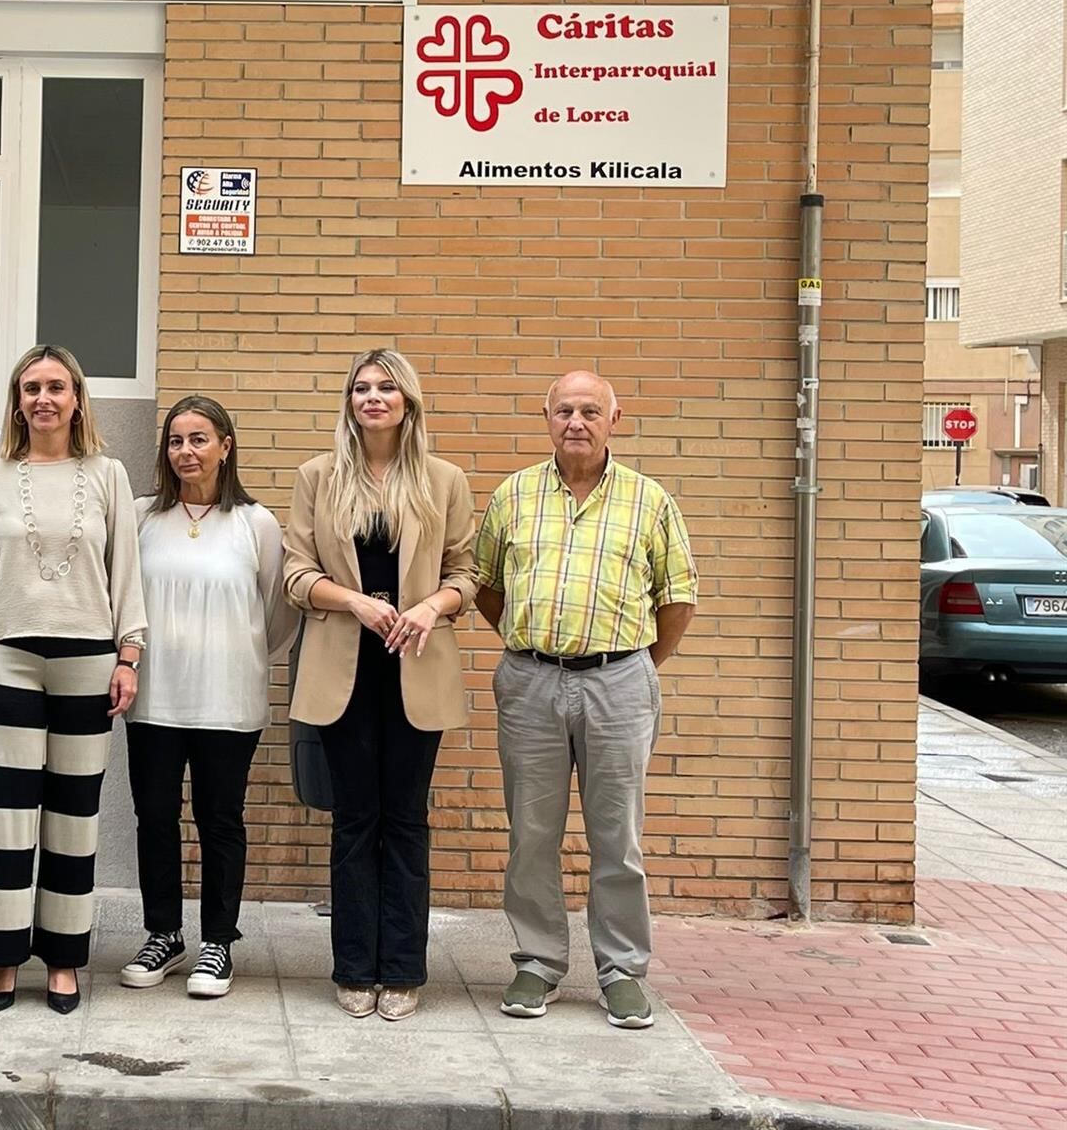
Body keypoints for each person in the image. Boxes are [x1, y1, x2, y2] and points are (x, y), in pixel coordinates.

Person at [476, 370, 697, 1032]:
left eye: (590, 411)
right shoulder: (513, 495)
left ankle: (620, 970)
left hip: (619, 683)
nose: (577, 421)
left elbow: (678, 597)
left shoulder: (648, 500)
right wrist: (533, 643)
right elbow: (487, 585)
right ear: (546, 417)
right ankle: (538, 963)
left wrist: (632, 666)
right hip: (531, 682)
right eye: (565, 410)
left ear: (615, 419)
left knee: (616, 835)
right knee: (532, 834)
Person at [0, 344, 147, 1015]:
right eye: (31, 388)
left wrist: (129, 653)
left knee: (72, 819)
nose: (44, 399)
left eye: (57, 387)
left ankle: (62, 959)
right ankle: (1, 958)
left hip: (88, 657)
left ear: (77, 398)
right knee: (3, 819)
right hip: (5, 655)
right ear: (17, 400)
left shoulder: (108, 474)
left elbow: (127, 573)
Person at [282, 347, 478, 1023]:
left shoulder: (444, 480)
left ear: (408, 402)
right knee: (354, 821)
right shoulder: (318, 477)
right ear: (350, 402)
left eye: (386, 388)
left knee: (406, 822)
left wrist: (431, 606)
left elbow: (467, 573)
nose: (373, 397)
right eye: (361, 388)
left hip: (414, 669)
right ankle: (353, 968)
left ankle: (402, 968)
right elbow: (296, 574)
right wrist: (357, 602)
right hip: (344, 671)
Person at [118, 396, 298, 1000]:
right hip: (154, 699)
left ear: (226, 446)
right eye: (175, 441)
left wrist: (232, 653)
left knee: (220, 820)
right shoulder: (141, 517)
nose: (186, 452)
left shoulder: (256, 524)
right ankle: (163, 934)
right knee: (155, 818)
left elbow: (277, 614)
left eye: (199, 439)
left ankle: (218, 939)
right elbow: (123, 603)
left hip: (228, 699)